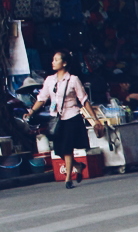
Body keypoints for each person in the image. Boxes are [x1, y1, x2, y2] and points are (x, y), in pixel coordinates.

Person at [25, 50, 101, 188]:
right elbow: (42, 99)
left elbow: (84, 100)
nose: (53, 62)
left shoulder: (73, 80)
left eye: (56, 60)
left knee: (67, 148)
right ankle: (78, 166)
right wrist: (31, 112)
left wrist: (95, 119)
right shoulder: (49, 80)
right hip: (56, 119)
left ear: (64, 63)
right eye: (53, 59)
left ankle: (68, 179)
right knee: (59, 150)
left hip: (72, 117)